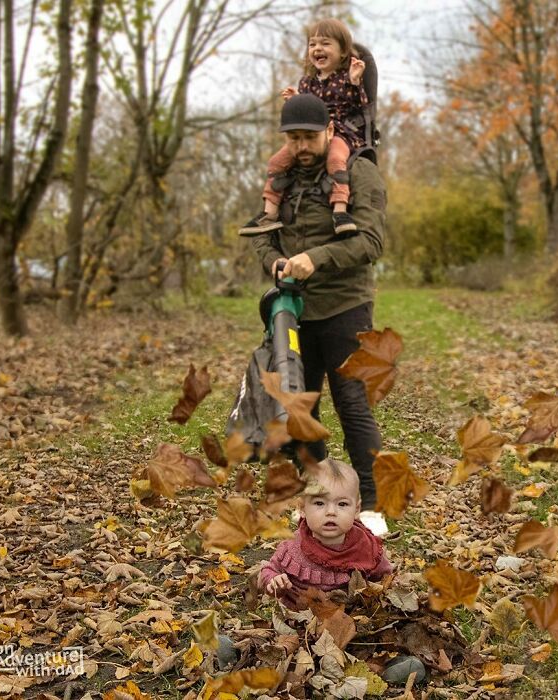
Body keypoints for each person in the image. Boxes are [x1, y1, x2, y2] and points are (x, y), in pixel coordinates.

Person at [247, 92, 389, 536]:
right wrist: (272, 262)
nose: (302, 147)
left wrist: (317, 258)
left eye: (310, 137)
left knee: (353, 405)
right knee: (297, 407)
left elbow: (371, 242)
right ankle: (321, 492)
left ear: (329, 131)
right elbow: (262, 236)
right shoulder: (282, 177)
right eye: (294, 139)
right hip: (294, 311)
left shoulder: (359, 173)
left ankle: (369, 504)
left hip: (346, 305)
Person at [240, 18, 368, 237]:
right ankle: (269, 213)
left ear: (343, 51)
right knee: (276, 162)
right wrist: (297, 100)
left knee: (335, 159)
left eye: (325, 43)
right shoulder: (307, 82)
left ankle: (340, 210)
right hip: (313, 132)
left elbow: (360, 106)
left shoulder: (347, 78)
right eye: (312, 44)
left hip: (341, 132)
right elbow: (309, 110)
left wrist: (355, 82)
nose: (318, 48)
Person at [258, 459, 393, 608]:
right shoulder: (292, 547)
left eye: (342, 504)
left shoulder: (366, 547)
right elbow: (269, 570)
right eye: (319, 503)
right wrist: (274, 582)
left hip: (348, 621)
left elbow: (385, 578)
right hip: (299, 619)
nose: (331, 512)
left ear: (356, 509)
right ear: (302, 508)